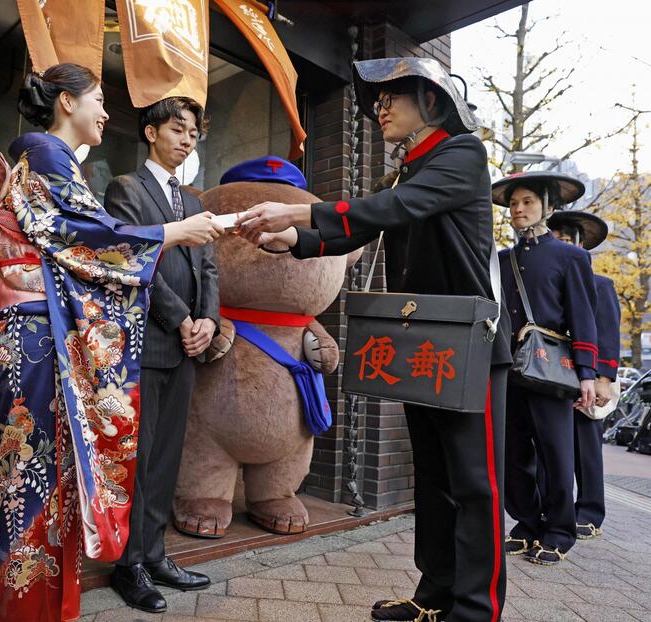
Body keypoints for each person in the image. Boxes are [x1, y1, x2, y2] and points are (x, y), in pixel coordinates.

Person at [236, 57, 511, 622]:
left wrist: (296, 207)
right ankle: (434, 595)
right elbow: (361, 226)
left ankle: (476, 609)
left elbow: (390, 209)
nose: (380, 107)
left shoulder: (462, 155)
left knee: (475, 483)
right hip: (425, 338)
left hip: (469, 343)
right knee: (432, 478)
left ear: (431, 101)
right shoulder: (410, 168)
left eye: (393, 95)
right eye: (377, 99)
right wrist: (291, 239)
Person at [0, 63, 223, 622]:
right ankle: (23, 609)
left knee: (40, 475)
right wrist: (169, 233)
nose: (105, 112)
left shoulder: (49, 159)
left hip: (38, 328)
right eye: (98, 99)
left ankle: (35, 605)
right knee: (35, 476)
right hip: (37, 331)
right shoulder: (46, 155)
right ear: (66, 102)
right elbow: (85, 240)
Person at [102, 97, 217, 613]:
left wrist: (209, 322)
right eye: (177, 128)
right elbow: (131, 259)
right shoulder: (127, 188)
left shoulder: (194, 202)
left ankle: (156, 553)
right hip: (145, 345)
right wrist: (181, 318)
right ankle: (129, 565)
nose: (188, 139)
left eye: (194, 132)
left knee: (168, 458)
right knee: (138, 457)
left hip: (188, 348)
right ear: (151, 133)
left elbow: (209, 269)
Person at [491, 171, 598, 567]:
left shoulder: (572, 257)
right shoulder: (501, 260)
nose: (518, 209)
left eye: (528, 202)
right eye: (514, 203)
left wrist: (588, 373)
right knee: (514, 454)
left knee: (555, 454)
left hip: (552, 369)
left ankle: (558, 531)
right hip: (508, 368)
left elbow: (583, 316)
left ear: (548, 208)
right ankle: (526, 524)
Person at [547, 209, 620, 540]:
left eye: (566, 240)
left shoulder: (600, 284)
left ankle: (590, 511)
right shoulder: (547, 283)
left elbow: (606, 332)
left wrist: (603, 377)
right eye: (556, 239)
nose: (560, 245)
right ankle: (553, 509)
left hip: (587, 375)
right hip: (552, 374)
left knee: (586, 447)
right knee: (551, 447)